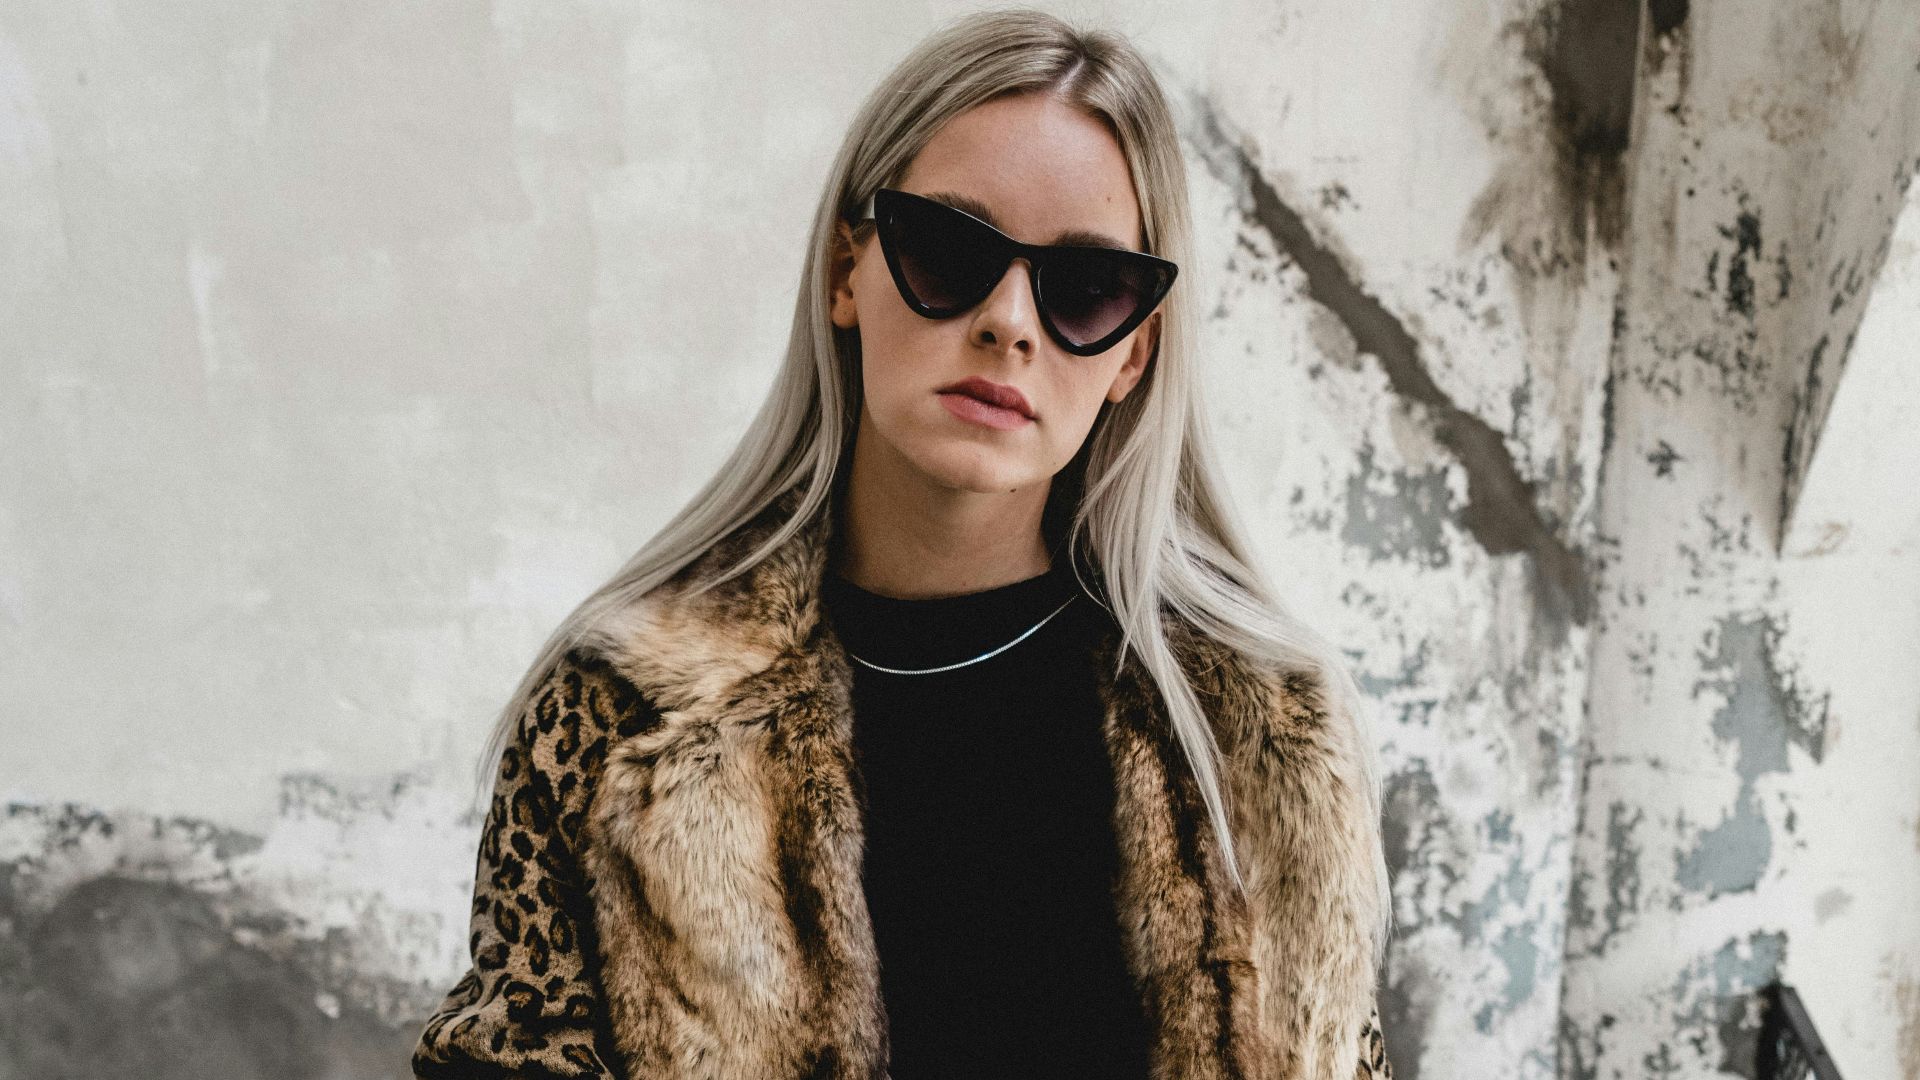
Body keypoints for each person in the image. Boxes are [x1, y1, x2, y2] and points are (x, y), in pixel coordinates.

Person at [411, 8, 1395, 1079]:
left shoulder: (1262, 733)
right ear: (848, 272)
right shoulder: (626, 716)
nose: (1010, 321)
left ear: (1132, 354)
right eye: (951, 249)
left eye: (1084, 288)